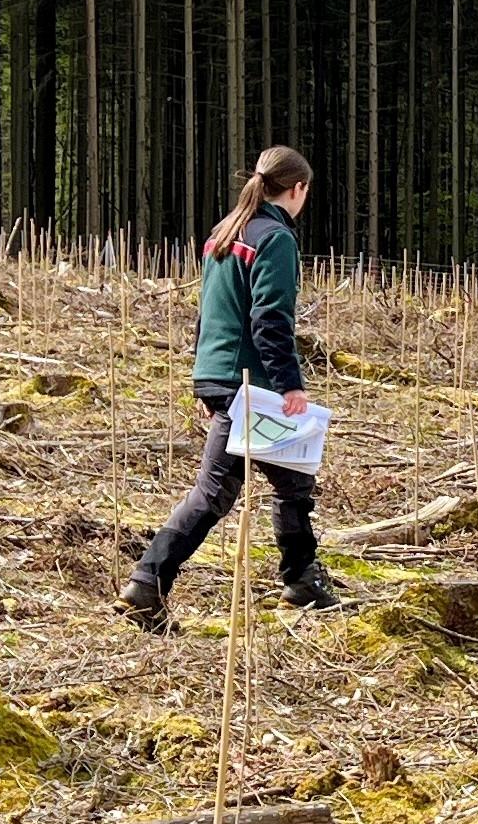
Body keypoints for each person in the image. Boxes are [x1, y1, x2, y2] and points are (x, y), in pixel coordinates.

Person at [125, 147, 333, 627]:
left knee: (292, 481)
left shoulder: (226, 231)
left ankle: (302, 580)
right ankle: (146, 582)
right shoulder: (275, 239)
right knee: (215, 491)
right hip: (250, 382)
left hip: (219, 374)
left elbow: (209, 310)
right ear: (297, 189)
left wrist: (205, 381)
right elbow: (270, 318)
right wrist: (289, 386)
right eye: (306, 192)